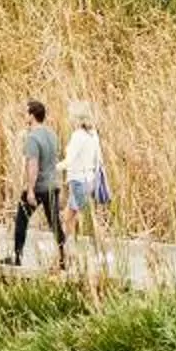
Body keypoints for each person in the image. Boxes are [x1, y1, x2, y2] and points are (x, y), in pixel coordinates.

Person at [8, 98, 65, 270]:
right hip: (53, 185)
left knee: (21, 221)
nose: (24, 116)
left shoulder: (32, 138)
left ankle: (17, 257)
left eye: (26, 113)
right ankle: (63, 258)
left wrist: (30, 190)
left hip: (38, 186)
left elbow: (33, 165)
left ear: (32, 116)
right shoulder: (52, 134)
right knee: (55, 223)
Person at [63, 102, 111, 258]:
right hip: (88, 180)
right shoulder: (93, 134)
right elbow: (99, 159)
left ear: (77, 117)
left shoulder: (78, 136)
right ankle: (64, 249)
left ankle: (103, 253)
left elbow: (69, 160)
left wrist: (51, 167)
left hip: (78, 181)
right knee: (69, 217)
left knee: (89, 221)